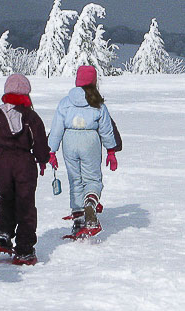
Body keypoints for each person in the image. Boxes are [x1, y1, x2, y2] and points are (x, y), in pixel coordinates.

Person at [48, 65, 118, 237]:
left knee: (75, 179)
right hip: (90, 141)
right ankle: (90, 203)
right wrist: (111, 151)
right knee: (92, 178)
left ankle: (78, 219)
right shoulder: (97, 104)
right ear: (94, 82)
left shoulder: (65, 102)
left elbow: (56, 128)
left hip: (69, 141)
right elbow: (106, 130)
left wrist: (51, 151)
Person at [0, 74, 50, 265]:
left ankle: (4, 233)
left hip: (1, 161)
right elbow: (39, 141)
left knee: (6, 198)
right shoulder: (31, 116)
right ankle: (24, 248)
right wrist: (43, 159)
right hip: (24, 161)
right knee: (25, 204)